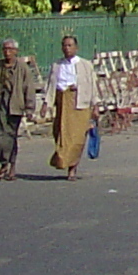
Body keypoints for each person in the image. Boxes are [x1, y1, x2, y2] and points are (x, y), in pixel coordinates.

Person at [0, 39, 37, 180]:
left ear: (16, 51)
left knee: (10, 138)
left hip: (15, 106)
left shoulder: (22, 68)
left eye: (10, 49)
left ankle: (11, 166)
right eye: (5, 49)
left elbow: (28, 88)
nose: (7, 52)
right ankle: (3, 163)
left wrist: (29, 109)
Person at [47, 33, 95, 180]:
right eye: (65, 45)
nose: (67, 48)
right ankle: (62, 160)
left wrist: (96, 105)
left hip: (80, 104)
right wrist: (46, 103)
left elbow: (93, 86)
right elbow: (50, 85)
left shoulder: (85, 65)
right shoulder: (57, 66)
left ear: (76, 47)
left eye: (70, 45)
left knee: (77, 138)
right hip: (63, 103)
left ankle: (72, 168)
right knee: (61, 134)